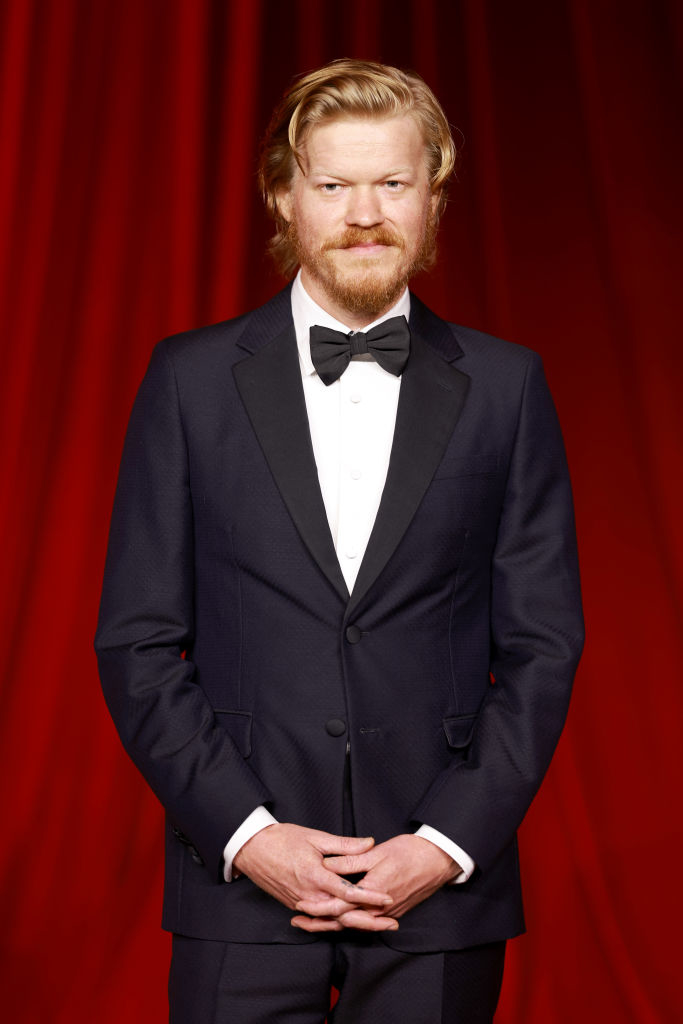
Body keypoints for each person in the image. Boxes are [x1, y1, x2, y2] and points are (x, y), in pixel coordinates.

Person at [95, 59, 584, 1023]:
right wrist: (248, 835)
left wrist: (445, 843)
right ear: (284, 195)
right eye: (333, 184)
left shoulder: (508, 386)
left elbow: (542, 646)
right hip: (238, 883)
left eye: (392, 183)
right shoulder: (188, 381)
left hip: (438, 894)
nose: (364, 212)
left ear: (432, 198)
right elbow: (137, 643)